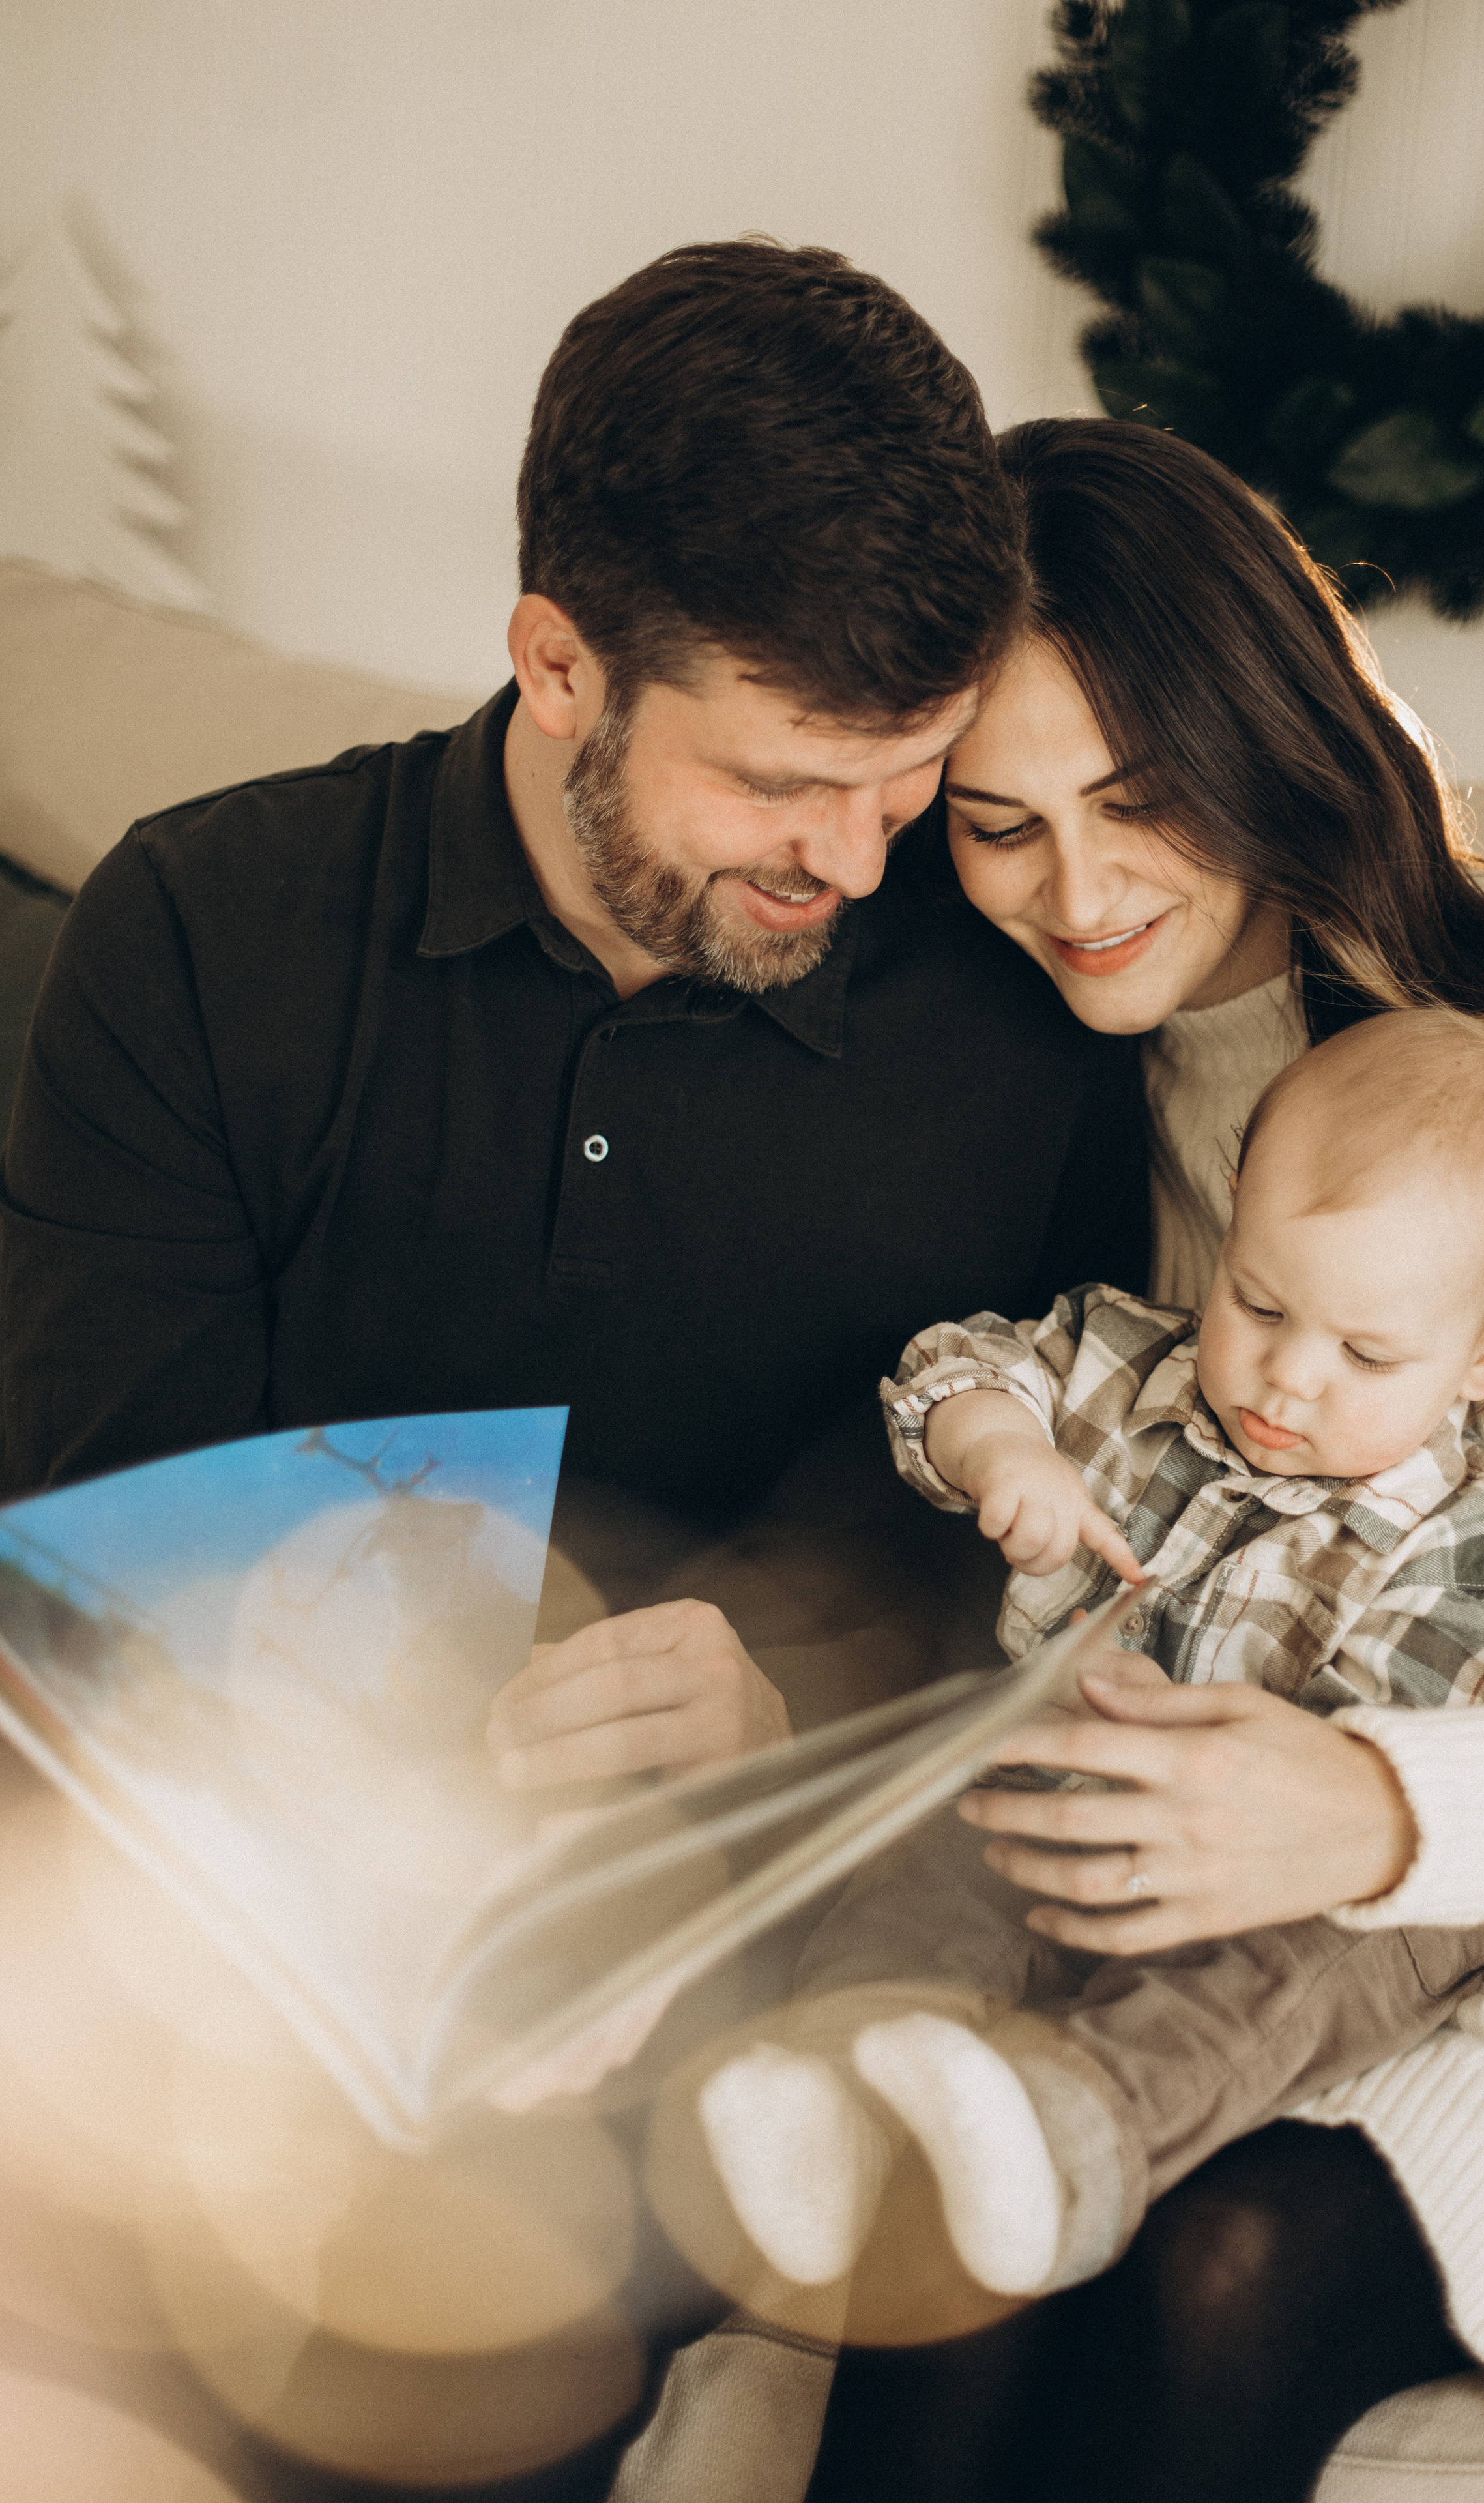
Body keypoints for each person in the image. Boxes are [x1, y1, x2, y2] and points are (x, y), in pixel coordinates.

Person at [650, 418, 1484, 2503]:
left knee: (1218, 2266)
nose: (1082, 894)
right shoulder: (1032, 1111)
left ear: (1273, 738)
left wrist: (1374, 1807)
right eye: (1000, 827)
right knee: (961, 2200)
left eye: (1141, 800)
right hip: (1136, 1906)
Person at [0, 240, 1147, 1772]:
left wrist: (782, 1723)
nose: (860, 861)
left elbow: (1067, 1535)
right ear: (556, 666)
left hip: (782, 1872)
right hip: (291, 1844)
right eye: (780, 783)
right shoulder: (201, 934)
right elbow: (107, 1574)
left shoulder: (1028, 980)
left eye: (911, 769)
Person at [697, 1002, 1484, 2311]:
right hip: (1055, 1792)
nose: (1285, 1378)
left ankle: (1079, 2129)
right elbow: (947, 1370)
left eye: (1367, 1352)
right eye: (1255, 1301)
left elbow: (1371, 1767)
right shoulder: (1124, 1363)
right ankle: (843, 2100)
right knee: (928, 1856)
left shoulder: (1449, 1542)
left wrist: (1209, 1750)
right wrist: (1003, 1450)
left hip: (1268, 1890)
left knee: (1289, 1979)